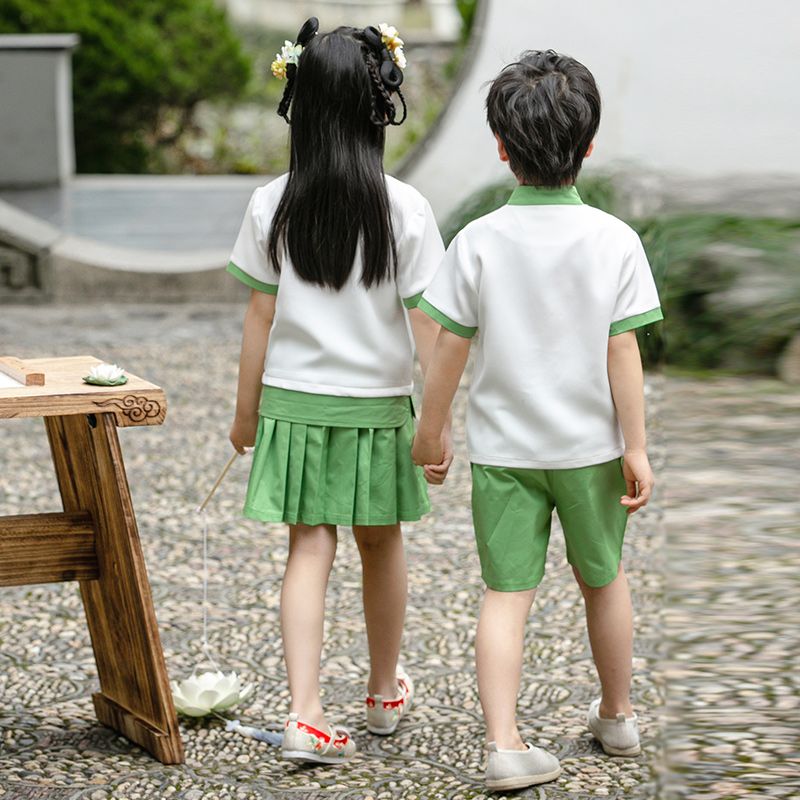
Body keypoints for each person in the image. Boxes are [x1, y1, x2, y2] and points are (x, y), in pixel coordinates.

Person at [412, 49, 663, 791]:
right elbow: (624, 352)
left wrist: (432, 431)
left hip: (504, 452)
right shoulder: (614, 240)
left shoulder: (478, 241)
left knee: (505, 596)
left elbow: (448, 350)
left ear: (501, 147)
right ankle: (616, 715)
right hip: (590, 449)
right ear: (588, 146)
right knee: (604, 581)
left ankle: (503, 743)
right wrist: (637, 447)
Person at [228, 18, 449, 765]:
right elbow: (427, 328)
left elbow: (260, 317)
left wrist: (243, 415)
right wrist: (440, 422)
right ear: (375, 107)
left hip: (293, 402)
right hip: (379, 406)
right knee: (382, 544)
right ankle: (384, 691)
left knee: (308, 549)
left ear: (304, 105)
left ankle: (303, 711)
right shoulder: (407, 209)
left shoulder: (271, 203)